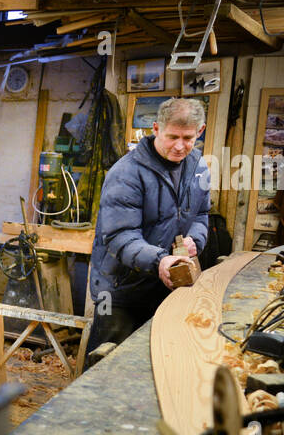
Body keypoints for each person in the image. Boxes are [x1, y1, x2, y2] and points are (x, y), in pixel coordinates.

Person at [87, 97, 212, 351]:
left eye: (188, 138)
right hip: (116, 289)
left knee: (150, 358)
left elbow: (201, 215)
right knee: (105, 362)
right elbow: (120, 236)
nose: (180, 146)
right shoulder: (126, 173)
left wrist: (195, 240)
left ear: (200, 131)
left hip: (161, 283)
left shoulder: (198, 166)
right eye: (172, 137)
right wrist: (159, 260)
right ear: (156, 129)